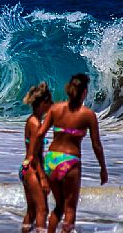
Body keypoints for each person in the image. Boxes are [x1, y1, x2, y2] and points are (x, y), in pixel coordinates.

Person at [28, 73, 108, 233]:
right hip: (70, 163)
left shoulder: (55, 109)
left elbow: (39, 134)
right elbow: (96, 145)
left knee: (58, 207)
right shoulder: (88, 115)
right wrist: (103, 168)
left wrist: (31, 156)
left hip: (51, 160)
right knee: (70, 209)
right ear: (84, 92)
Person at [20, 82, 52, 233]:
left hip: (26, 168)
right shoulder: (36, 124)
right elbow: (34, 155)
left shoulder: (31, 120)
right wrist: (43, 178)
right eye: (50, 101)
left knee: (32, 212)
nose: (52, 104)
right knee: (42, 210)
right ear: (43, 103)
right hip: (33, 169)